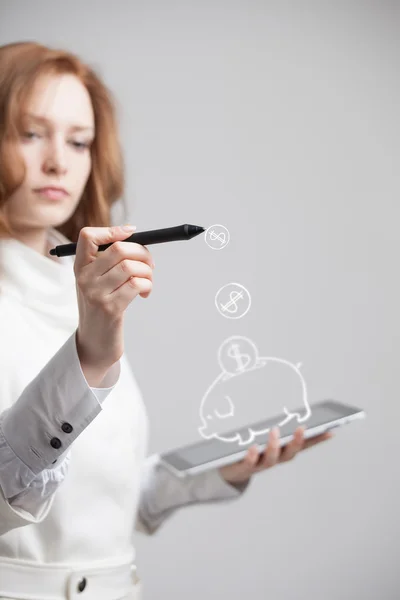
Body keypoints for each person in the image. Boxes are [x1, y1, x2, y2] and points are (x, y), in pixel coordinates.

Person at [0, 41, 333, 600]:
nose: (59, 160)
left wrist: (227, 466)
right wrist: (90, 356)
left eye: (79, 141)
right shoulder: (89, 314)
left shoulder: (80, 289)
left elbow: (104, 497)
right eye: (32, 133)